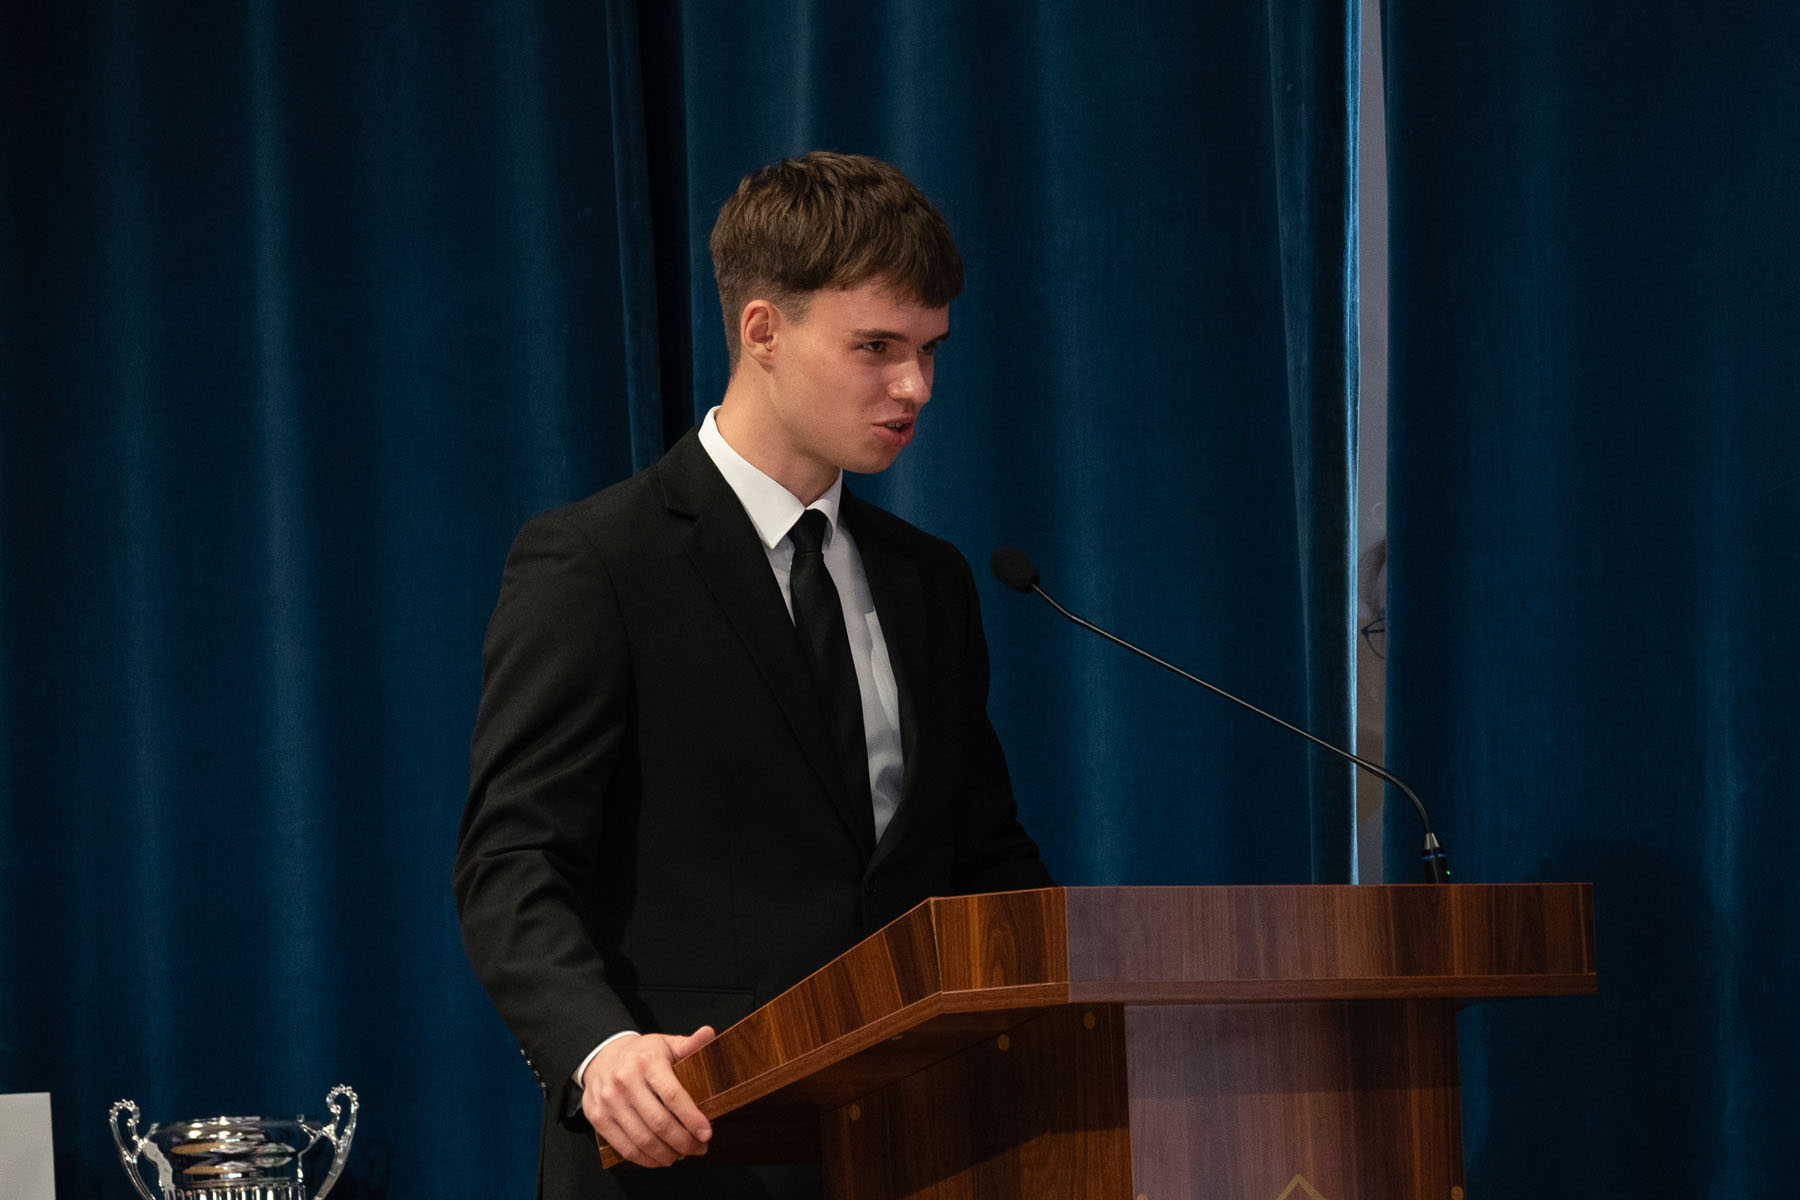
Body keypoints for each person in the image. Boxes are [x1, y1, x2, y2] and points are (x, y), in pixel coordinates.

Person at [453, 151, 1053, 1200]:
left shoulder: (931, 581)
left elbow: (982, 856)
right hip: (688, 1145)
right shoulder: (599, 563)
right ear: (763, 331)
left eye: (929, 350)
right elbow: (511, 861)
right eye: (877, 347)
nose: (915, 387)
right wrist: (599, 1049)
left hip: (914, 1146)